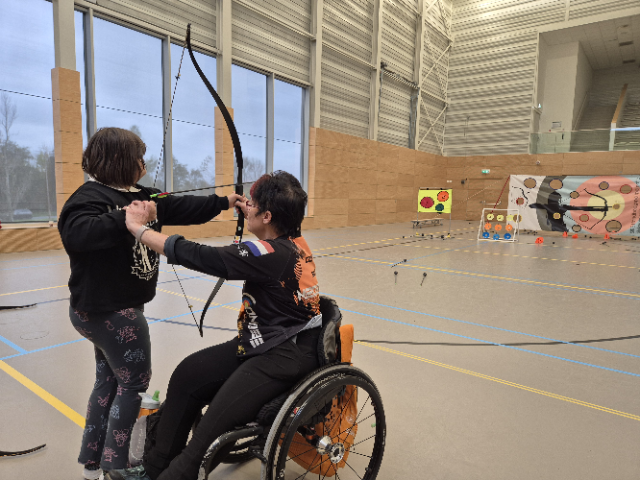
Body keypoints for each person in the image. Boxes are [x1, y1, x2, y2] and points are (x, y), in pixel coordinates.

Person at [57, 127, 245, 480]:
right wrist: (129, 218)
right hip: (111, 313)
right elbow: (77, 233)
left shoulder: (143, 194)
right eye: (138, 158)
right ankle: (116, 467)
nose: (143, 164)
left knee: (109, 383)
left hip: (110, 311)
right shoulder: (88, 197)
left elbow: (181, 205)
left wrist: (224, 202)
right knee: (133, 386)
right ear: (120, 161)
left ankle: (91, 465)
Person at [109, 171, 321, 480]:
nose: (246, 205)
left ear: (267, 215)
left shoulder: (272, 253)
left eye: (253, 204)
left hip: (282, 355)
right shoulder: (290, 243)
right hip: (264, 342)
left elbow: (203, 256)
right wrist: (247, 214)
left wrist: (138, 229)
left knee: (206, 435)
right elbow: (252, 252)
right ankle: (154, 468)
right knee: (188, 374)